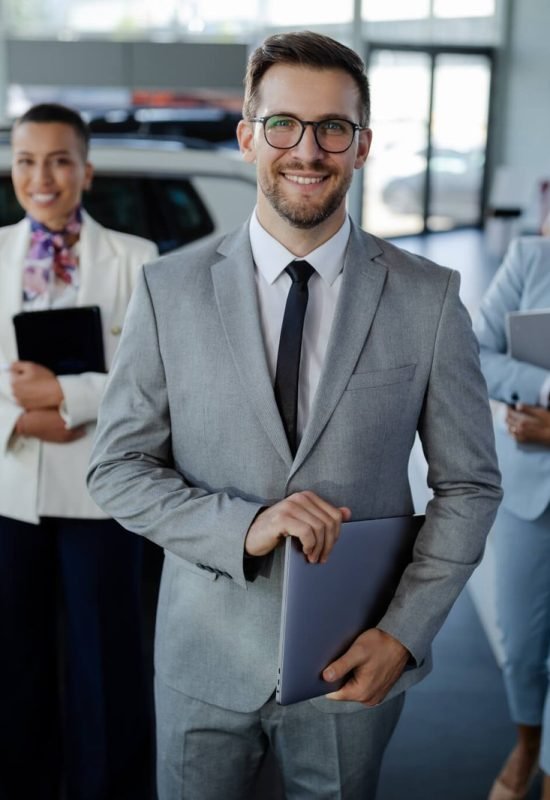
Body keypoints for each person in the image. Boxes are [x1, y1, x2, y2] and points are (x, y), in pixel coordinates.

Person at [88, 31, 502, 800]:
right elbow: (115, 468)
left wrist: (403, 636)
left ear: (363, 144)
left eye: (332, 128)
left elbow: (471, 487)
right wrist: (243, 526)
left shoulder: (430, 298)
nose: (307, 150)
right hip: (202, 661)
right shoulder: (167, 291)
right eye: (283, 124)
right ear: (248, 136)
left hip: (355, 662)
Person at [0, 103, 158, 800]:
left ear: (86, 171)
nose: (43, 176)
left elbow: (146, 379)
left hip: (103, 496)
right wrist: (25, 419)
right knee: (14, 667)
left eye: (60, 160)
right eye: (28, 160)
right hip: (9, 491)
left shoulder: (136, 259)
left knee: (107, 670)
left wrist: (64, 396)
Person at [474, 235, 550, 800]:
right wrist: (545, 386)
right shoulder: (533, 258)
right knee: (521, 643)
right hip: (530, 491)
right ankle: (528, 744)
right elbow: (475, 349)